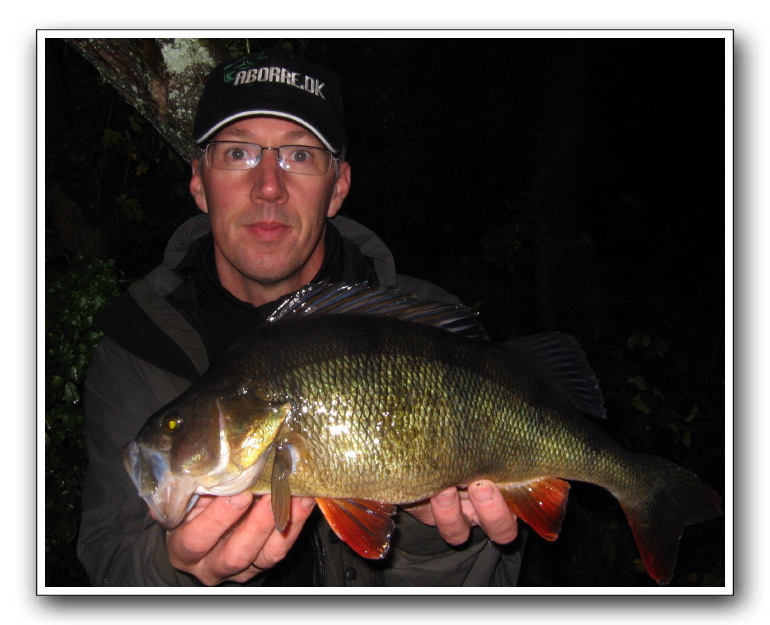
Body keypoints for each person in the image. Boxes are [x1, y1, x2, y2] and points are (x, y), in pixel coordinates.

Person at [77, 47, 524, 587]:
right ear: (198, 181)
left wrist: (432, 541)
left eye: (299, 155)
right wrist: (176, 575)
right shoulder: (135, 348)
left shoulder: (425, 324)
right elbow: (107, 564)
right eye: (239, 153)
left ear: (338, 186)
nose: (268, 186)